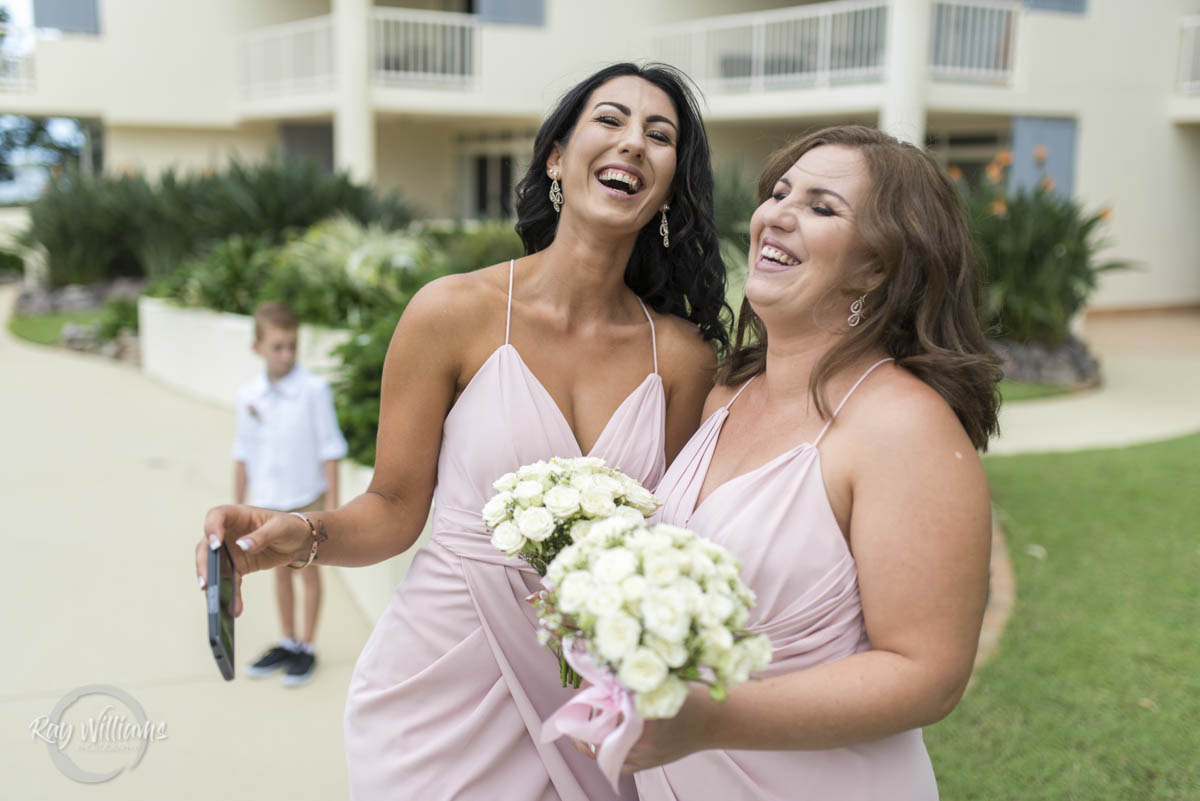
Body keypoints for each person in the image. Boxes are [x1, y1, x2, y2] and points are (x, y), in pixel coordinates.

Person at [195, 62, 729, 801]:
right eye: (609, 121)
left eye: (658, 134)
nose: (633, 142)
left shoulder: (681, 357)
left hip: (589, 703)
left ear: (670, 183)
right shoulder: (452, 312)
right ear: (555, 156)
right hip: (440, 684)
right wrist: (300, 531)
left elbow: (672, 544)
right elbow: (392, 506)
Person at [618, 126, 1004, 800]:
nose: (777, 214)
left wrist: (711, 717)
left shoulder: (903, 426)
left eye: (822, 207)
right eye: (779, 192)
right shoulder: (726, 395)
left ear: (876, 267)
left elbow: (928, 672)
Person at [232, 301, 347, 687]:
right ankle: (288, 641)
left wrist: (332, 511)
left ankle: (308, 646)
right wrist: (238, 508)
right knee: (278, 572)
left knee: (308, 571)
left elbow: (331, 449)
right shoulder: (248, 396)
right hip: (268, 501)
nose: (286, 354)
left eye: (292, 346)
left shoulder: (314, 390)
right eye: (278, 346)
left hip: (306, 499)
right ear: (258, 348)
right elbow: (243, 455)